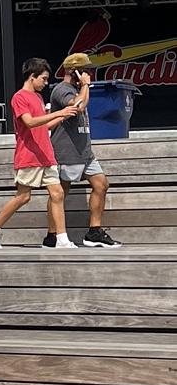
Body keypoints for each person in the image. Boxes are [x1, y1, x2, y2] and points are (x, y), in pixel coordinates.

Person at [0, 58, 82, 251]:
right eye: (43, 78)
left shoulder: (39, 98)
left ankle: (62, 239)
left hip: (45, 154)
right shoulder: (19, 97)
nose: (46, 82)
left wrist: (63, 115)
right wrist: (59, 113)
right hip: (29, 155)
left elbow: (43, 127)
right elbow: (30, 122)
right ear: (32, 77)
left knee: (57, 193)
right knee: (23, 197)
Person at [50, 53, 121, 249]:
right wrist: (85, 85)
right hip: (66, 151)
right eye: (86, 70)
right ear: (75, 71)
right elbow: (78, 106)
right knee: (59, 193)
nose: (90, 73)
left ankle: (94, 232)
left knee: (101, 184)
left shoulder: (79, 89)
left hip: (85, 152)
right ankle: (52, 235)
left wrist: (83, 87)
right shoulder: (61, 89)